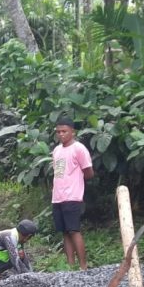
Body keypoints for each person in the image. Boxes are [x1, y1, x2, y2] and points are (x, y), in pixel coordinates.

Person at [51, 115, 94, 270]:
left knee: (74, 230)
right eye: (58, 132)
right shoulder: (56, 150)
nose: (61, 134)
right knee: (65, 232)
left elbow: (88, 172)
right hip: (57, 197)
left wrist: (76, 184)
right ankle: (70, 266)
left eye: (64, 131)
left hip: (72, 196)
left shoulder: (79, 149)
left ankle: (83, 266)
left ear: (72, 132)